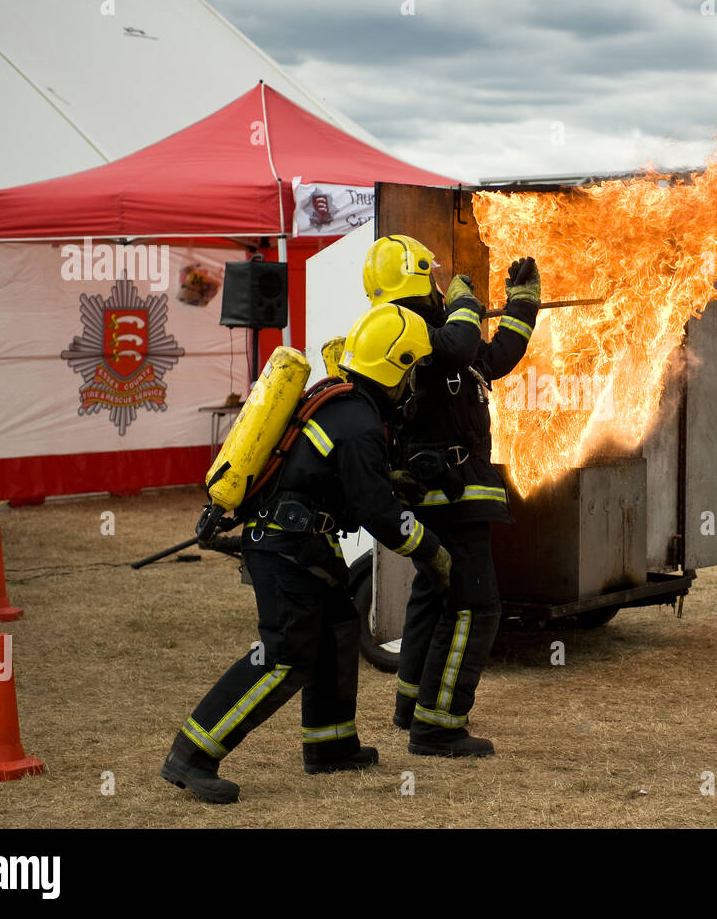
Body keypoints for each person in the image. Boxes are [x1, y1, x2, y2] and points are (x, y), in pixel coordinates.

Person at [160, 303, 451, 803]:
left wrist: (392, 479)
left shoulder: (343, 403)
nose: (412, 386)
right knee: (285, 654)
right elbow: (377, 511)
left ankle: (330, 744)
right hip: (285, 547)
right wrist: (431, 551)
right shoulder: (359, 421)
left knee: (339, 628)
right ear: (395, 366)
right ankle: (193, 754)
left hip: (304, 543)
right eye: (411, 371)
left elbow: (342, 487)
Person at [361, 234, 540, 758]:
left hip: (455, 493)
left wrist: (522, 305)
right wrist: (464, 305)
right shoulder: (405, 330)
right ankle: (438, 726)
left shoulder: (432, 330)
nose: (442, 285)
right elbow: (461, 346)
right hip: (448, 496)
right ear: (416, 275)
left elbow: (491, 357)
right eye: (434, 277)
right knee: (474, 606)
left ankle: (411, 703)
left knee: (434, 597)